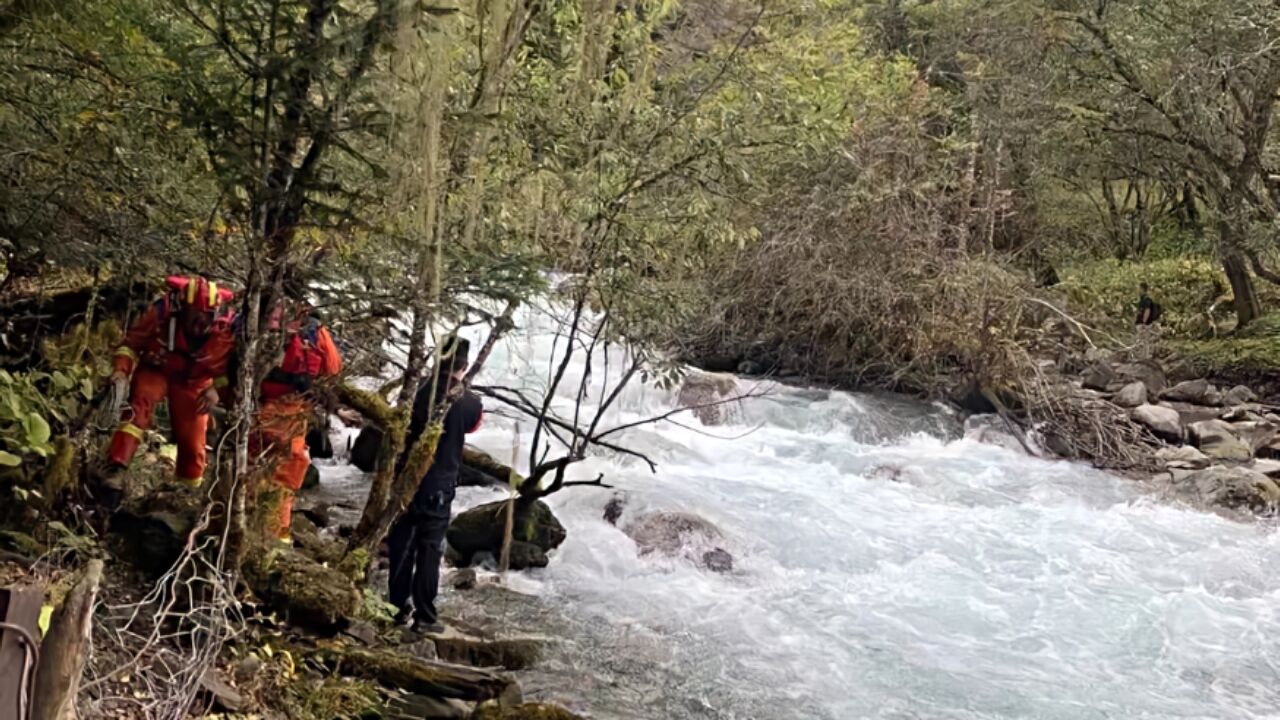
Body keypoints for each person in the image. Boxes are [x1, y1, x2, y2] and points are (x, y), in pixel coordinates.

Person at [104, 275, 236, 502]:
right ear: (183, 309)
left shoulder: (229, 330)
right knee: (139, 407)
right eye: (195, 315)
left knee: (193, 446)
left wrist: (217, 391)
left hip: (196, 383)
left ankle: (185, 492)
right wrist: (121, 372)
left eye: (207, 316)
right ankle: (116, 468)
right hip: (158, 370)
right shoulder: (161, 314)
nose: (200, 323)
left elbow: (237, 371)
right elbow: (131, 344)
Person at [387, 336, 483, 634]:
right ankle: (426, 617)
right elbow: (475, 425)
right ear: (464, 367)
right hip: (440, 484)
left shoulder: (417, 390)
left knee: (401, 544)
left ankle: (396, 609)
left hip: (407, 479)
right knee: (430, 549)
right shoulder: (469, 401)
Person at [252, 301, 342, 544]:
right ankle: (273, 533)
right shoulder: (314, 334)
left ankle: (267, 529)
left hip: (263, 406)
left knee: (267, 467)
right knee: (287, 469)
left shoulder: (259, 321)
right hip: (282, 408)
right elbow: (332, 369)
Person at [1135, 282, 1162, 360]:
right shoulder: (1142, 299)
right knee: (1143, 340)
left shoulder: (1146, 299)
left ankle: (1143, 357)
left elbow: (1147, 310)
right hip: (1142, 323)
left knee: (1142, 340)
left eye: (1139, 288)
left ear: (1142, 289)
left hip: (1144, 324)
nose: (1138, 290)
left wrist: (1144, 322)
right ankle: (1144, 356)